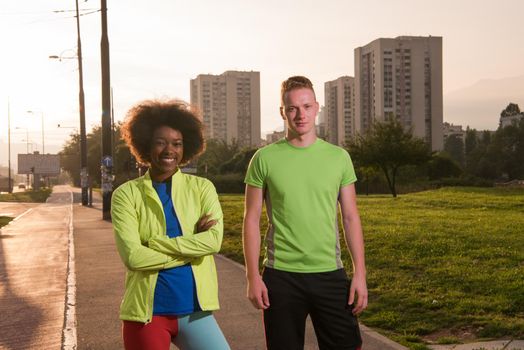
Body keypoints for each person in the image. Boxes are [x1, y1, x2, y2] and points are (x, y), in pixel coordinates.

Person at [243, 76, 367, 350]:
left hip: (330, 273)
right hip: (281, 275)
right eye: (292, 108)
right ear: (282, 112)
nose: (300, 115)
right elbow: (251, 219)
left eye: (307, 106)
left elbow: (350, 217)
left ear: (317, 107)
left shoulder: (339, 157)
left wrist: (360, 274)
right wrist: (253, 276)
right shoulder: (264, 159)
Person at [111, 99, 230, 350]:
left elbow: (213, 241)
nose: (169, 150)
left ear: (186, 147)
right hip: (147, 314)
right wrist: (189, 252)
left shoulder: (202, 188)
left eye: (177, 144)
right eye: (160, 142)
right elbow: (133, 257)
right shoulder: (126, 195)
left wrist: (158, 245)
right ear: (145, 145)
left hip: (195, 311)